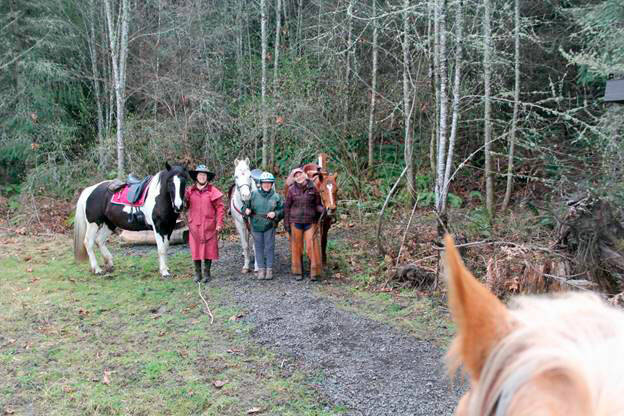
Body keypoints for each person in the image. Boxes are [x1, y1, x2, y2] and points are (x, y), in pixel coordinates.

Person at [185, 164, 225, 283]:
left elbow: (220, 209)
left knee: (209, 250)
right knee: (195, 249)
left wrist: (219, 224)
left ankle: (207, 273)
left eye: (204, 175)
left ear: (207, 177)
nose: (202, 177)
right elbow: (184, 205)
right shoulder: (189, 191)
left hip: (209, 226)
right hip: (194, 226)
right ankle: (198, 273)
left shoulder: (213, 191)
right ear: (196, 176)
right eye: (200, 174)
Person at [284, 168, 323, 281]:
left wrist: (323, 210)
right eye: (296, 176)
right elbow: (287, 208)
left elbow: (317, 204)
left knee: (312, 247)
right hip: (295, 222)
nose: (299, 177)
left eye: (300, 174)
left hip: (310, 222)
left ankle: (314, 272)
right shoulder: (291, 190)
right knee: (297, 247)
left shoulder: (313, 188)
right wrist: (286, 225)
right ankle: (297, 271)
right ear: (294, 178)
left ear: (305, 175)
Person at [243, 172, 284, 280]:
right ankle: (261, 269)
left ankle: (269, 269)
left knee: (270, 247)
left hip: (269, 225)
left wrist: (275, 214)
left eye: (269, 183)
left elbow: (282, 210)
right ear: (260, 183)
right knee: (258, 248)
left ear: (272, 184)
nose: (266, 185)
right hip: (256, 225)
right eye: (264, 183)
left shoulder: (276, 196)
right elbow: (244, 207)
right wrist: (246, 210)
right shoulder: (253, 195)